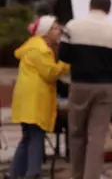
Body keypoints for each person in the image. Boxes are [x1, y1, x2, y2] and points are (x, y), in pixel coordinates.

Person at [58, 0, 112, 179]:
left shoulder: (73, 25)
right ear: (108, 8)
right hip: (105, 86)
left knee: (76, 132)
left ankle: (77, 174)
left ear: (90, 5)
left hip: (79, 84)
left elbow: (63, 56)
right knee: (96, 135)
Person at [8, 15, 70, 179]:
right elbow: (50, 73)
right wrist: (66, 64)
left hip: (27, 100)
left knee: (28, 137)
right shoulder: (40, 49)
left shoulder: (33, 46)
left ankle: (14, 173)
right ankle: (33, 173)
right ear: (45, 33)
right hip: (35, 100)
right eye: (55, 28)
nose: (59, 31)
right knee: (36, 137)